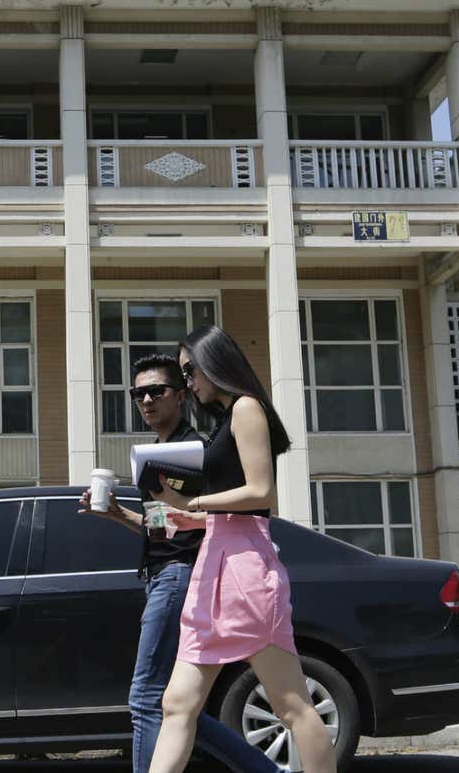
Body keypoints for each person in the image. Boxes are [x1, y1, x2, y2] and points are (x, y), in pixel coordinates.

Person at [148, 326, 337, 773]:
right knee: (176, 703)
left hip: (245, 568)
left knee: (291, 705)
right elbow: (226, 506)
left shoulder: (247, 408)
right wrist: (181, 515)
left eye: (190, 370)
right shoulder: (222, 422)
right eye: (183, 372)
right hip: (214, 565)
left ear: (216, 361)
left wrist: (190, 502)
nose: (187, 381)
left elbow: (260, 491)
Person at [82, 355, 281, 773]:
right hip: (164, 576)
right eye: (139, 394)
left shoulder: (194, 451)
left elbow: (198, 523)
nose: (147, 400)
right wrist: (117, 514)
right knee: (179, 707)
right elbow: (166, 527)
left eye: (158, 391)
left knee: (147, 698)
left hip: (180, 577)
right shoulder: (157, 454)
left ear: (181, 393)